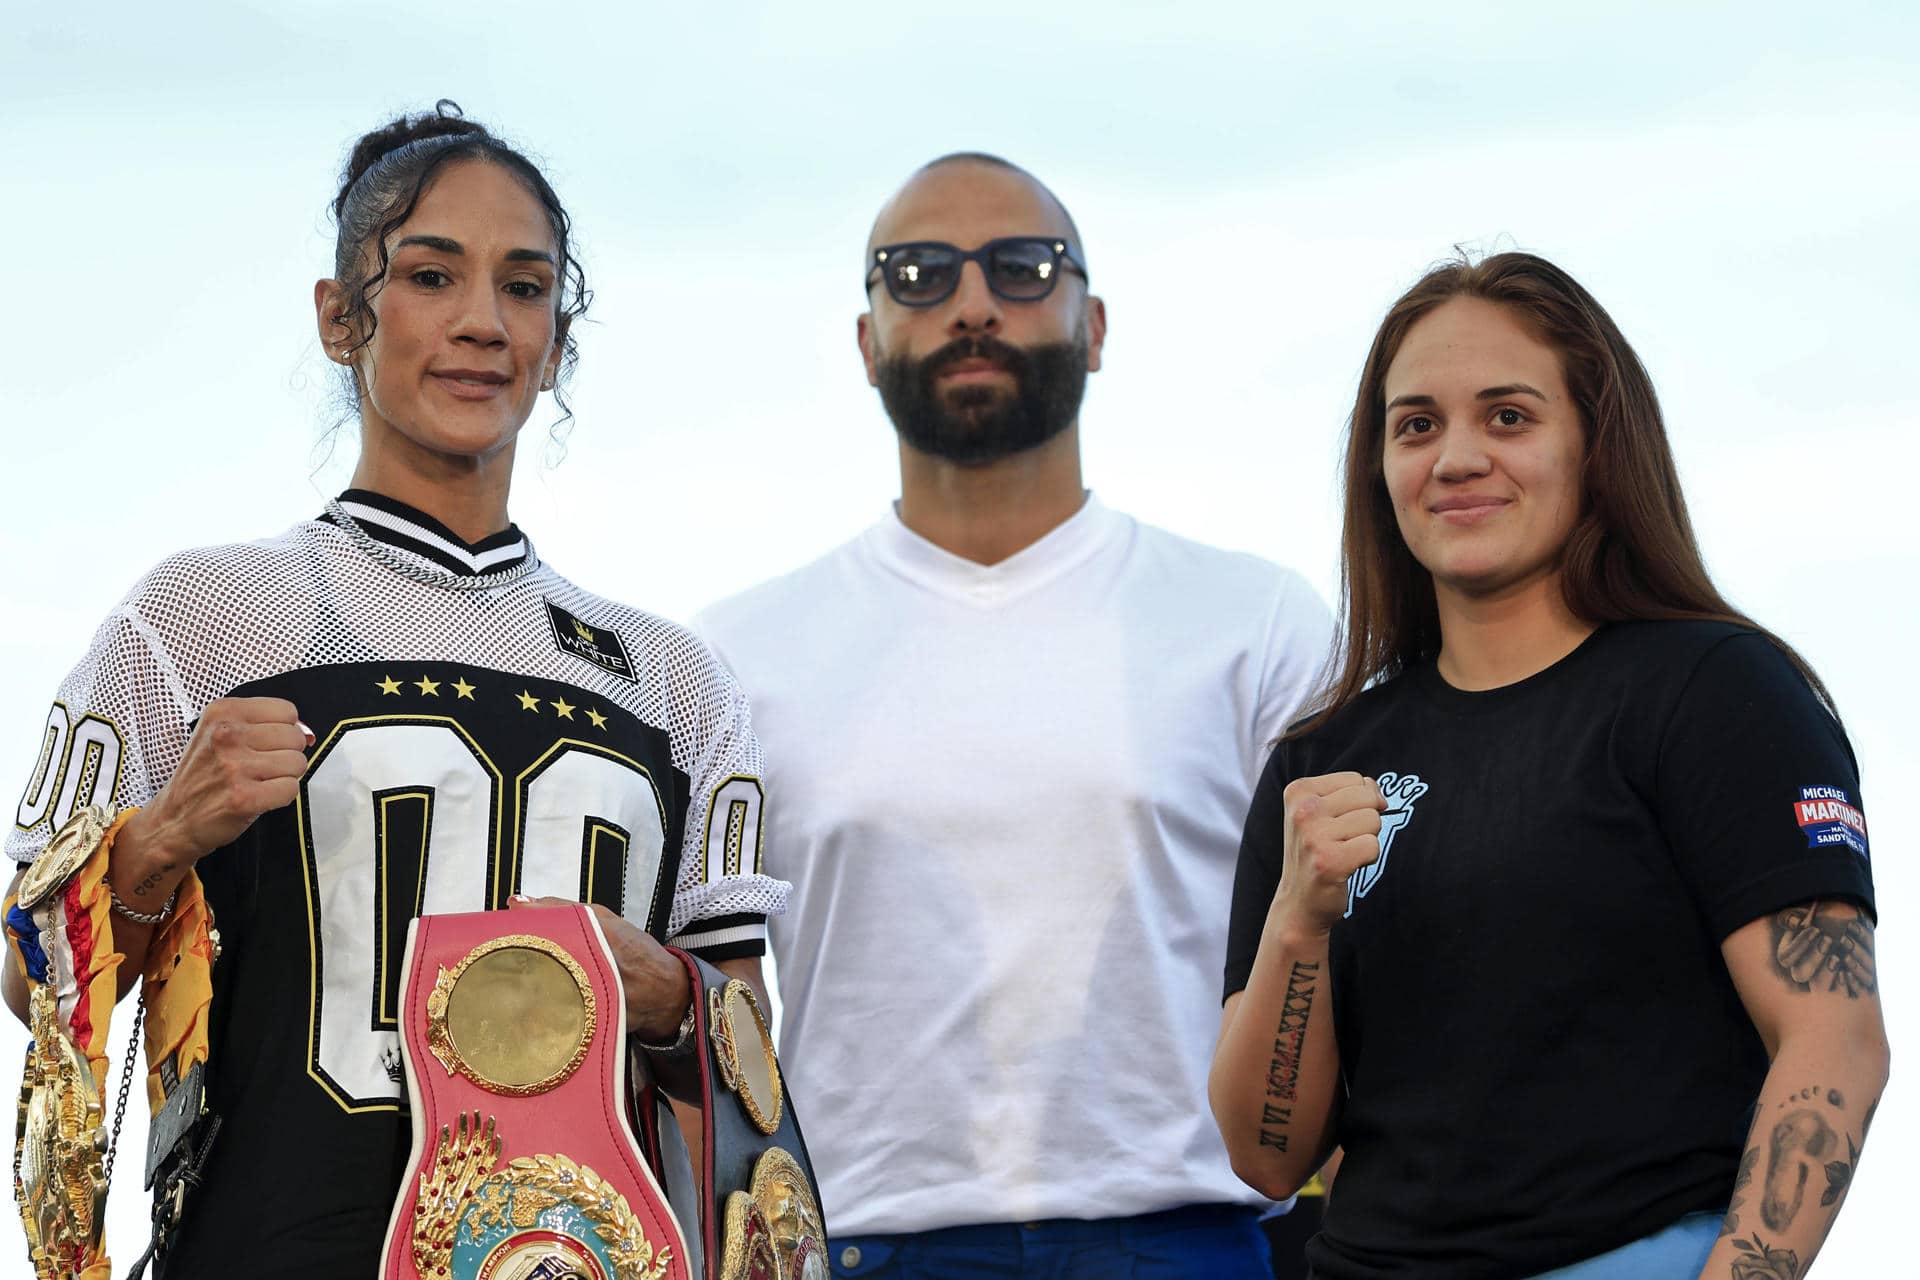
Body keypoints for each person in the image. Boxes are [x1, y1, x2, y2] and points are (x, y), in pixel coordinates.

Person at [3, 102, 786, 1277]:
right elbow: (24, 970)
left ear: (559, 340)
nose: (482, 321)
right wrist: (160, 838)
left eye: (525, 287)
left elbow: (748, 1065)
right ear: (339, 316)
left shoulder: (673, 678)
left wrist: (673, 991)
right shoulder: (202, 615)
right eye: (430, 275)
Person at [694, 152, 1335, 1280]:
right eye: (921, 272)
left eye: (1024, 267)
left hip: (1187, 1234)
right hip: (862, 1238)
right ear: (865, 338)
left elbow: (1357, 961)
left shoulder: (1255, 622)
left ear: (1095, 325)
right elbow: (707, 1000)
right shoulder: (735, 658)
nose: (976, 303)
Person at [1210, 252, 1887, 1279]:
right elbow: (1267, 1154)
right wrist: (1298, 921)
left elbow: (1834, 1038)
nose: (1457, 456)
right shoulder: (1324, 758)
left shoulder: (1717, 691)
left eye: (1509, 416)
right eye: (1417, 424)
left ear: (1594, 444)